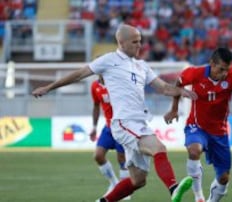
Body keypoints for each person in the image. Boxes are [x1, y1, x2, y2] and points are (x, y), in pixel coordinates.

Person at [32, 24, 198, 202]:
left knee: (137, 180)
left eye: (140, 41)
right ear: (121, 42)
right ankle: (174, 190)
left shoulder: (142, 66)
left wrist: (181, 91)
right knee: (159, 148)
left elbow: (163, 88)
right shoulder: (109, 60)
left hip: (139, 123)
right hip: (124, 122)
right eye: (135, 42)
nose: (139, 45)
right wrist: (49, 87)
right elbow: (79, 74)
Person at [164, 47, 232, 202]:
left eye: (227, 70)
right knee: (194, 151)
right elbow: (177, 86)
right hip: (197, 125)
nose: (224, 74)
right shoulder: (195, 73)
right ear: (211, 63)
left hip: (219, 131)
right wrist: (174, 109)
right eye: (221, 69)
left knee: (224, 178)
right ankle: (198, 196)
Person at [89, 75, 130, 200]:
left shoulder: (117, 84)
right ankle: (113, 183)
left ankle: (125, 192)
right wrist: (94, 127)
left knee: (122, 160)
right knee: (98, 156)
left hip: (122, 127)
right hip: (108, 127)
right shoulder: (95, 86)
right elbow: (96, 105)